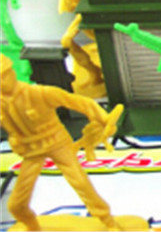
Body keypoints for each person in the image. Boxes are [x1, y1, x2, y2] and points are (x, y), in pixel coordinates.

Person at [0, 54, 122, 231]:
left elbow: (79, 102)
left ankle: (108, 222)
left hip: (57, 144)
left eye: (3, 76)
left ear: (11, 72)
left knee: (81, 184)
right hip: (31, 152)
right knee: (16, 204)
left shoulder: (39, 93)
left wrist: (103, 119)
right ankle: (32, 227)